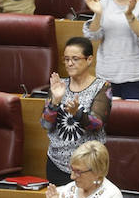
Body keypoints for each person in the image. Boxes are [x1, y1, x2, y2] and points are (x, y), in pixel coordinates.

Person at [40, 36, 112, 186]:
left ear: (89, 60)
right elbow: (45, 124)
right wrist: (55, 101)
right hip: (57, 163)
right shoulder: (59, 85)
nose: (69, 63)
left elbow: (97, 124)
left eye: (75, 59)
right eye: (66, 59)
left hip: (88, 166)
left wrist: (77, 113)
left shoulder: (102, 86)